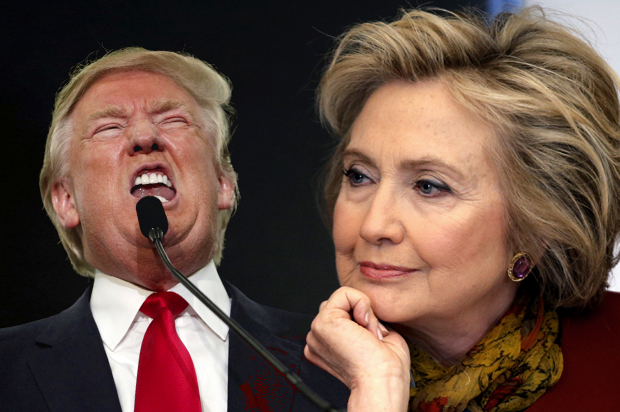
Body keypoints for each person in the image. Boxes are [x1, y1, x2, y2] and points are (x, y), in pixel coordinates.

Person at [304, 7, 620, 412]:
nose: (373, 225)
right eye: (359, 176)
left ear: (537, 227)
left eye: (429, 186)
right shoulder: (261, 373)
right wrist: (376, 389)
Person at [0, 48, 348, 412]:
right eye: (109, 127)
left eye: (173, 120)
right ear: (66, 199)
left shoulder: (335, 359)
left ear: (223, 183)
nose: (145, 135)